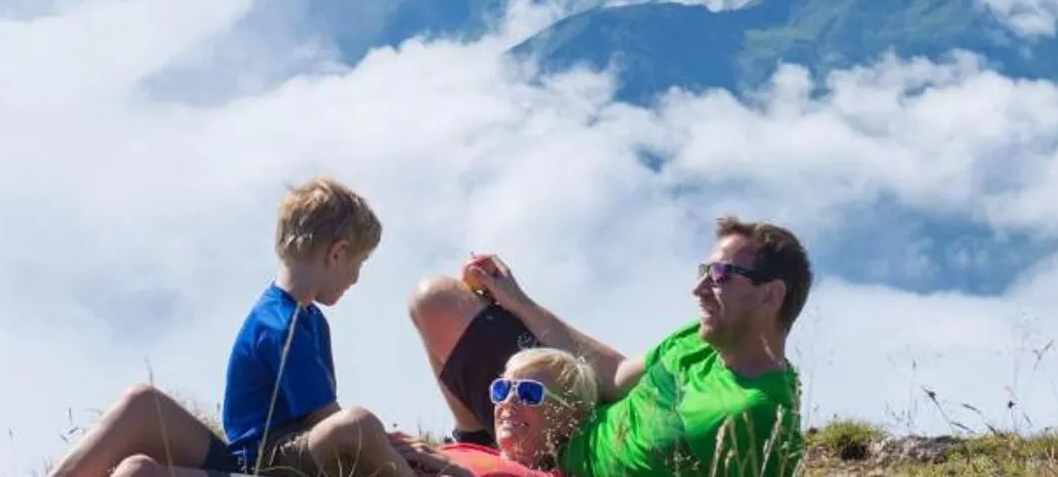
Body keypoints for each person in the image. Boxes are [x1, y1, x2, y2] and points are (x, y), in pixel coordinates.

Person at [46, 175, 452, 477]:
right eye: (358, 264)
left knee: (138, 461)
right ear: (337, 253)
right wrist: (393, 447)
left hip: (244, 460)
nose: (355, 279)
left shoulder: (306, 318)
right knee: (358, 424)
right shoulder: (283, 326)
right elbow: (328, 422)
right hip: (260, 467)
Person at [408, 216, 810, 477]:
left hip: (560, 471)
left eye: (721, 276)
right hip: (558, 415)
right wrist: (517, 300)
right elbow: (615, 377)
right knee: (435, 299)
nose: (698, 288)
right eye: (704, 271)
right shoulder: (698, 339)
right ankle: (478, 441)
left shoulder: (758, 415)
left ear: (770, 295)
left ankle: (481, 462)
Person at [403, 348, 598, 477]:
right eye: (502, 389)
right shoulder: (467, 451)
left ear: (566, 419)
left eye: (528, 392)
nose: (508, 400)